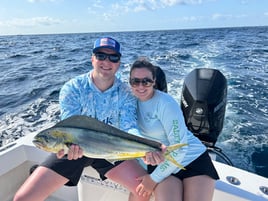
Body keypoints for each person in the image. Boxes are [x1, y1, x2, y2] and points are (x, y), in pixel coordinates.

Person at [13, 37, 164, 201]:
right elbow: (68, 128)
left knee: (145, 190)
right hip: (74, 149)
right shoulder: (72, 88)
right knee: (23, 198)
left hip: (110, 148)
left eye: (113, 57)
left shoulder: (127, 93)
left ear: (119, 63)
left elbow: (129, 127)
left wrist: (147, 146)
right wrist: (67, 148)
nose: (107, 61)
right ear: (92, 58)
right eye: (101, 55)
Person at [128, 58, 219, 201]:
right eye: (135, 81)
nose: (140, 86)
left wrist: (153, 179)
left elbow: (180, 148)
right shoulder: (128, 102)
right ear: (130, 82)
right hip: (162, 164)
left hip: (193, 160)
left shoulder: (165, 103)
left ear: (153, 81)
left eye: (146, 81)